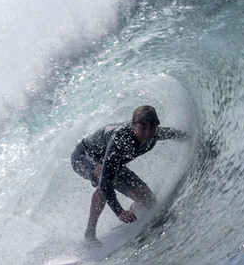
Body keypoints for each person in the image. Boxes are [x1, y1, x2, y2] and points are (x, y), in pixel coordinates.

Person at [71, 105, 188, 245]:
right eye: (143, 128)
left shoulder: (155, 134)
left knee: (149, 201)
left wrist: (193, 138)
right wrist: (119, 211)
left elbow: (175, 134)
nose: (147, 133)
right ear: (133, 125)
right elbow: (105, 181)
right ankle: (89, 235)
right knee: (103, 176)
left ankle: (135, 210)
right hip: (84, 157)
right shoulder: (120, 139)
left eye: (151, 128)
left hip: (110, 162)